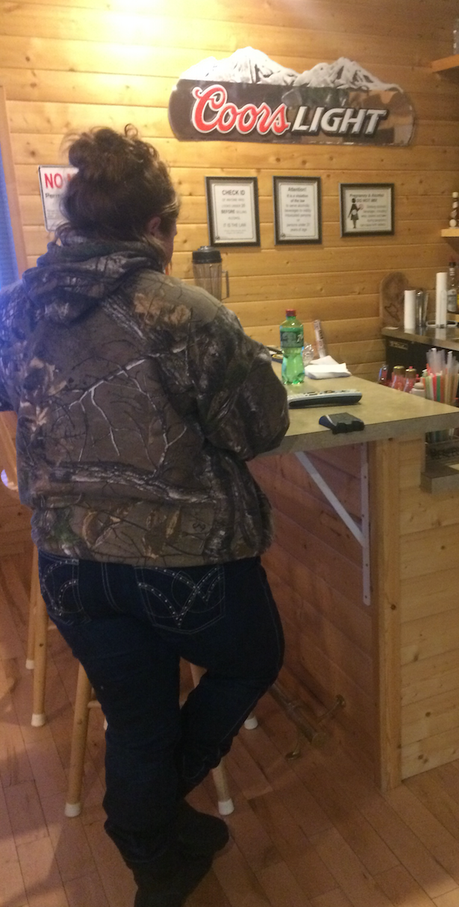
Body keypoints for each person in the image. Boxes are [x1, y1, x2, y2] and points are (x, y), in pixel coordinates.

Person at [0, 126, 289, 906]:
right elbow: (258, 429)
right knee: (251, 657)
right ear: (157, 226)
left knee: (138, 719)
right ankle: (149, 820)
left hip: (67, 565)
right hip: (183, 563)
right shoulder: (188, 313)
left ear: (76, 221)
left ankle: (152, 849)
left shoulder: (17, 304)